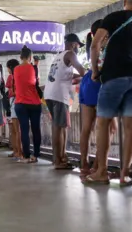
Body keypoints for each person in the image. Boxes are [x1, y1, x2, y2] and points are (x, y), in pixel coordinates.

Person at [86, 0, 132, 186]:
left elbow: (95, 46)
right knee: (130, 125)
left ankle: (101, 171)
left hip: (113, 76)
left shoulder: (112, 18)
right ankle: (125, 174)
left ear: (124, 2)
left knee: (103, 124)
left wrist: (95, 71)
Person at [45, 34, 86, 169]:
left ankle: (59, 157)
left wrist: (79, 78)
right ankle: (59, 160)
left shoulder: (58, 56)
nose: (78, 49)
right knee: (60, 128)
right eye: (78, 46)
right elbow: (81, 70)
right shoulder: (70, 54)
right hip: (59, 95)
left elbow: (67, 75)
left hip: (50, 93)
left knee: (57, 127)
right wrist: (88, 74)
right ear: (73, 44)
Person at [79, 21, 103, 177]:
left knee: (86, 128)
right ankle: (98, 165)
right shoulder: (104, 44)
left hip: (87, 82)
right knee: (103, 128)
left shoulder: (91, 46)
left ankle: (84, 163)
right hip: (100, 82)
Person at [13, 47, 43, 164]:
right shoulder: (34, 68)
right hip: (35, 103)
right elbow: (36, 83)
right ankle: (35, 155)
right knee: (36, 129)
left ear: (20, 57)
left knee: (24, 130)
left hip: (20, 103)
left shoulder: (16, 69)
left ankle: (26, 155)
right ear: (30, 57)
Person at [5, 59, 23, 159]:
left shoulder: (11, 77)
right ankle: (16, 150)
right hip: (20, 101)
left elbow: (10, 90)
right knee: (17, 130)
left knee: (15, 130)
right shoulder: (20, 75)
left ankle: (18, 152)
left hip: (14, 102)